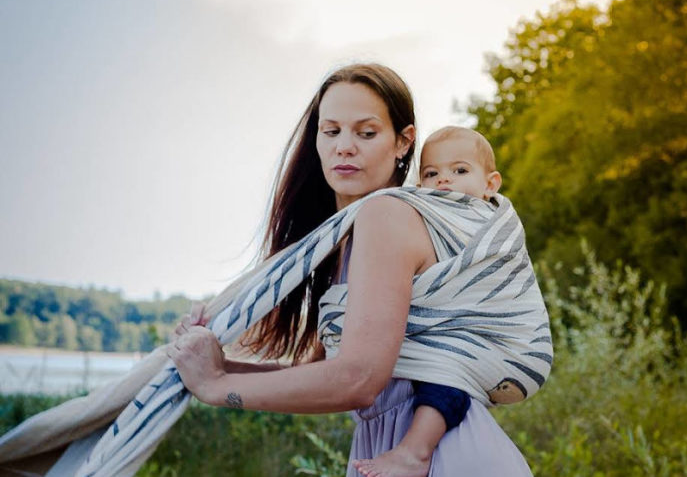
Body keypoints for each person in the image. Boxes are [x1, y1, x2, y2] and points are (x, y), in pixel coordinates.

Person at [168, 63, 538, 477]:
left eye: (366, 133)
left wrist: (218, 389)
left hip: (445, 460)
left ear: (403, 142)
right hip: (395, 456)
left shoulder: (387, 216)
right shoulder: (345, 238)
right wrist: (221, 365)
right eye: (331, 131)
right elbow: (321, 376)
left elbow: (358, 380)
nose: (345, 146)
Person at [352, 125, 504, 477]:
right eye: (431, 173)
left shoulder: (488, 225)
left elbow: (497, 276)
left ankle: (416, 451)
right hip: (434, 327)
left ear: (490, 185)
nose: (444, 181)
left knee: (445, 374)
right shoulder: (425, 219)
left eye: (460, 171)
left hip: (468, 334)